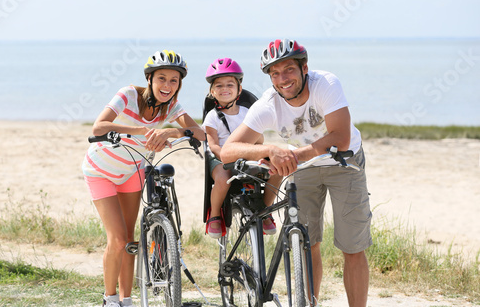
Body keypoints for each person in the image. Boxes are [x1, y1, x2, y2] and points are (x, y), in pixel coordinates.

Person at [220, 39, 372, 307]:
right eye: (274, 73)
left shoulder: (325, 84)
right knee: (306, 243)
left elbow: (342, 137)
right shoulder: (268, 104)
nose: (282, 79)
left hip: (343, 162)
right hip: (303, 170)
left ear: (304, 68)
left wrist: (295, 155)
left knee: (352, 246)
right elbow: (228, 151)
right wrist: (269, 149)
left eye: (289, 69)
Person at [82, 50, 205, 307]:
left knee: (130, 241)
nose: (167, 86)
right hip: (100, 171)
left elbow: (199, 133)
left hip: (132, 172)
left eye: (174, 80)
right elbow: (99, 127)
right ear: (149, 78)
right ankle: (110, 299)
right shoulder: (127, 95)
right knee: (116, 239)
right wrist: (140, 130)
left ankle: (126, 300)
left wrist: (171, 130)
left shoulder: (171, 106)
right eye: (162, 78)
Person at [202, 57, 281, 239]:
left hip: (245, 154)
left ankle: (265, 209)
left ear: (239, 90)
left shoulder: (248, 113)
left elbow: (258, 139)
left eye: (230, 84)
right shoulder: (212, 117)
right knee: (222, 178)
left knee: (277, 170)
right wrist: (225, 156)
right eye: (219, 86)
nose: (224, 89)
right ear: (212, 91)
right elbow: (212, 144)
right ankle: (214, 215)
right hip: (219, 157)